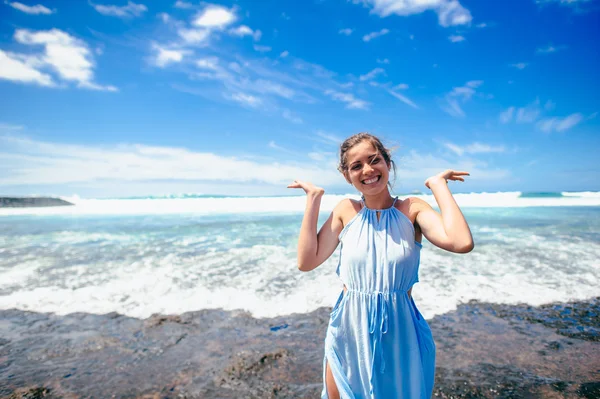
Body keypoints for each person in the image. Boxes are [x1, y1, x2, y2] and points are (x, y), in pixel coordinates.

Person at [287, 132, 474, 399]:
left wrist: (438, 185)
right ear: (347, 175)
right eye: (356, 166)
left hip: (401, 329)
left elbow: (461, 242)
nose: (367, 170)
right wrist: (313, 199)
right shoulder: (345, 210)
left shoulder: (412, 209)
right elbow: (306, 262)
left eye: (375, 160)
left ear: (388, 163)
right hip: (349, 327)